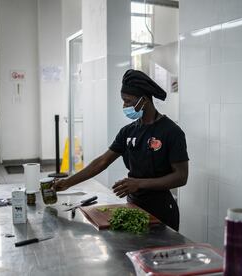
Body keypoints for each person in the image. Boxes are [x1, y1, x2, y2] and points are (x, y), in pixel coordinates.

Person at [52, 69, 189, 231]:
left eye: (128, 101)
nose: (124, 106)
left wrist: (139, 183)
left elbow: (181, 177)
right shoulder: (128, 131)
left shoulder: (171, 132)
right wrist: (67, 183)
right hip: (134, 206)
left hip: (161, 210)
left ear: (144, 100)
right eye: (123, 101)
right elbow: (102, 162)